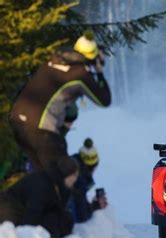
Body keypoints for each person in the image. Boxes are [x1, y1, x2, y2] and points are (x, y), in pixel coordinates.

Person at [9, 32, 111, 172]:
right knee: (62, 175)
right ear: (91, 57)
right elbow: (104, 100)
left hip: (17, 120)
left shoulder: (53, 61)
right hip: (41, 130)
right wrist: (99, 73)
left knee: (39, 176)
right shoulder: (80, 75)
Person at [0, 156, 79, 238]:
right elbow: (30, 220)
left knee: (64, 218)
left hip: (23, 211)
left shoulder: (57, 184)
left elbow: (58, 211)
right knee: (50, 220)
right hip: (11, 211)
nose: (76, 179)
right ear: (67, 174)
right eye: (74, 175)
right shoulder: (43, 185)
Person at [68, 138, 107, 222]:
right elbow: (82, 216)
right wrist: (96, 205)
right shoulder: (80, 181)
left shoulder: (69, 162)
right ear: (92, 167)